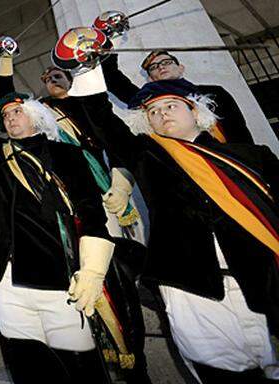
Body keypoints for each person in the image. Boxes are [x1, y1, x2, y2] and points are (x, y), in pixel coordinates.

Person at [67, 61, 279, 382]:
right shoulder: (146, 156)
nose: (163, 113)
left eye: (171, 105)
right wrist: (85, 67)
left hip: (262, 282)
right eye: (153, 111)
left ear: (195, 110)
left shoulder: (254, 156)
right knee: (222, 374)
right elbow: (101, 119)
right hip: (192, 289)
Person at [0, 61, 115, 383]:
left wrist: (92, 271)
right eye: (5, 116)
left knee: (80, 368)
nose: (9, 118)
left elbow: (91, 213)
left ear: (36, 115)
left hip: (61, 277)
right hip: (5, 279)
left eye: (16, 112)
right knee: (28, 367)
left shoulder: (67, 155)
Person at [0, 36, 150, 383]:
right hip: (58, 209)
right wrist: (5, 58)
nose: (51, 79)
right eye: (46, 78)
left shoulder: (85, 107)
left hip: (98, 198)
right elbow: (7, 94)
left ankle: (134, 364)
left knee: (117, 281)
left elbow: (119, 144)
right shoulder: (41, 117)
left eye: (58, 74)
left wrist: (122, 182)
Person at [101, 48, 254, 144]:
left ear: (181, 68)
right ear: (151, 78)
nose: (161, 66)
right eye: (154, 67)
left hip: (226, 157)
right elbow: (114, 79)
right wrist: (105, 48)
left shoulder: (214, 92)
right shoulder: (147, 99)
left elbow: (238, 130)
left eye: (166, 62)